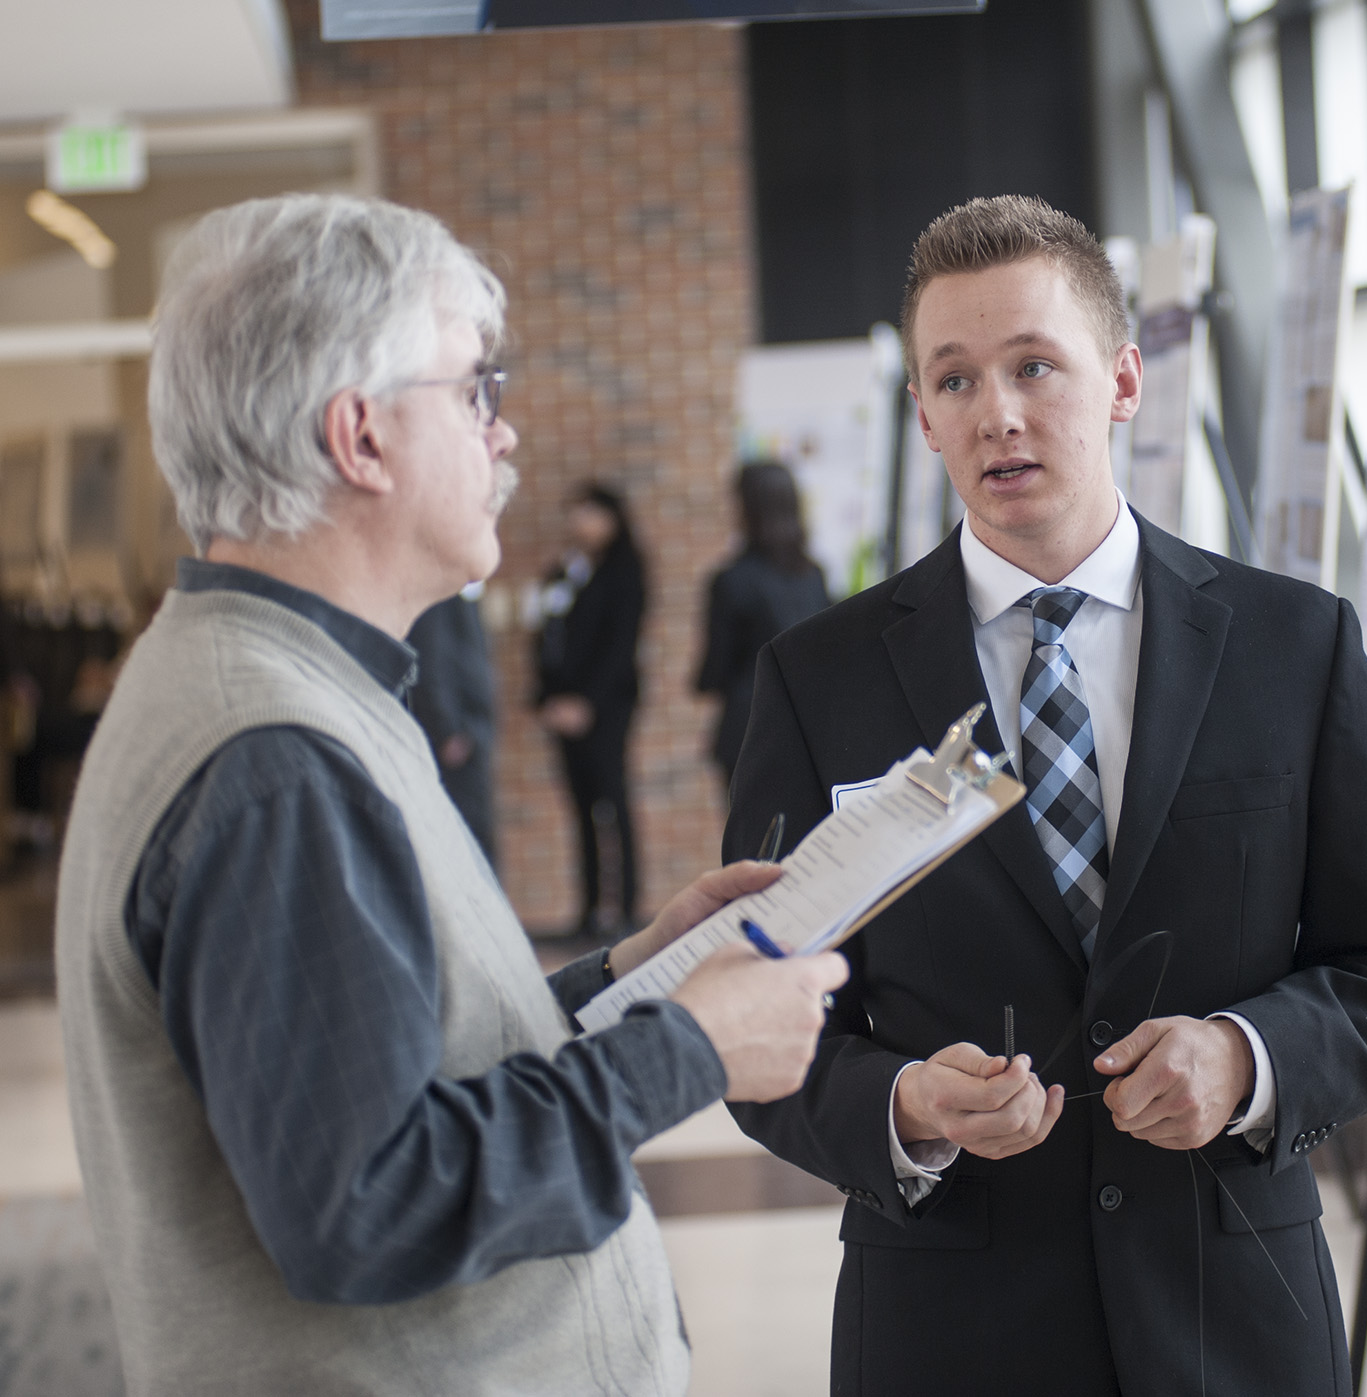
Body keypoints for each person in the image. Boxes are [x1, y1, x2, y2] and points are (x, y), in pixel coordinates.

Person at [54, 193, 846, 1397]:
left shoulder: (293, 687)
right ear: (360, 437)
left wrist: (640, 974)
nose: (506, 432)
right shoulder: (273, 759)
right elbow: (369, 1198)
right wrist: (689, 1047)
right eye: (477, 388)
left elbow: (383, 1060)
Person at [726, 194, 1367, 1395]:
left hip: (1234, 1320)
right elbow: (757, 1015)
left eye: (1035, 366)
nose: (997, 413)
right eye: (955, 380)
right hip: (947, 1325)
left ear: (1124, 381)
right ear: (922, 412)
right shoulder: (821, 679)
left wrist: (1247, 1055)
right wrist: (904, 1102)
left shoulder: (1294, 644)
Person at [535, 482, 646, 938]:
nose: (577, 523)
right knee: (579, 805)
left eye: (587, 513)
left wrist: (587, 703)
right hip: (561, 709)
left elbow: (621, 646)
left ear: (611, 518)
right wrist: (547, 699)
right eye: (573, 513)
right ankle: (587, 909)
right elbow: (544, 636)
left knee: (612, 801)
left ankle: (625, 907)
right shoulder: (563, 573)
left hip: (607, 708)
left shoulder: (626, 572)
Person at [693, 461, 830, 781]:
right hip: (809, 727)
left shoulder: (731, 580)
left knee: (750, 832)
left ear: (747, 508)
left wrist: (701, 681)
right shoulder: (814, 576)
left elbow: (714, 670)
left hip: (748, 729)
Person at [407, 586, 499, 862]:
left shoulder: (460, 596)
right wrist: (447, 730)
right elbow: (431, 660)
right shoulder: (439, 598)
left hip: (473, 732)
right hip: (459, 741)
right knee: (470, 842)